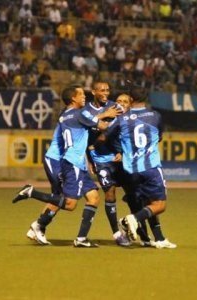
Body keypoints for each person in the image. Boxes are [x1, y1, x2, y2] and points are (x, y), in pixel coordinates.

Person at [13, 85, 121, 248]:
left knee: (93, 197)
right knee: (67, 201)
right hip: (60, 160)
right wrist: (115, 115)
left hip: (73, 161)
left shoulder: (68, 114)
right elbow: (100, 125)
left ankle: (80, 238)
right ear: (73, 98)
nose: (84, 97)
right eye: (81, 94)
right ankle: (36, 212)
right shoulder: (78, 114)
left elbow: (88, 120)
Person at [104, 86, 176, 249]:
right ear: (146, 98)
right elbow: (158, 137)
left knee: (148, 203)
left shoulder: (121, 119)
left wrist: (121, 150)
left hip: (130, 170)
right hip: (150, 166)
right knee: (159, 205)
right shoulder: (155, 116)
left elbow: (107, 136)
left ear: (130, 100)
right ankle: (132, 220)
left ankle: (159, 238)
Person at [84, 81, 130, 246]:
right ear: (93, 92)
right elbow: (84, 136)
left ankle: (139, 228)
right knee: (110, 193)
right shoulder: (86, 110)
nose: (105, 93)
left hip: (118, 158)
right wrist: (89, 158)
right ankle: (117, 234)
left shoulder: (115, 107)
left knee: (133, 193)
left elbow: (124, 131)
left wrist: (122, 151)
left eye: (108, 90)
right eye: (102, 90)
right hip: (99, 159)